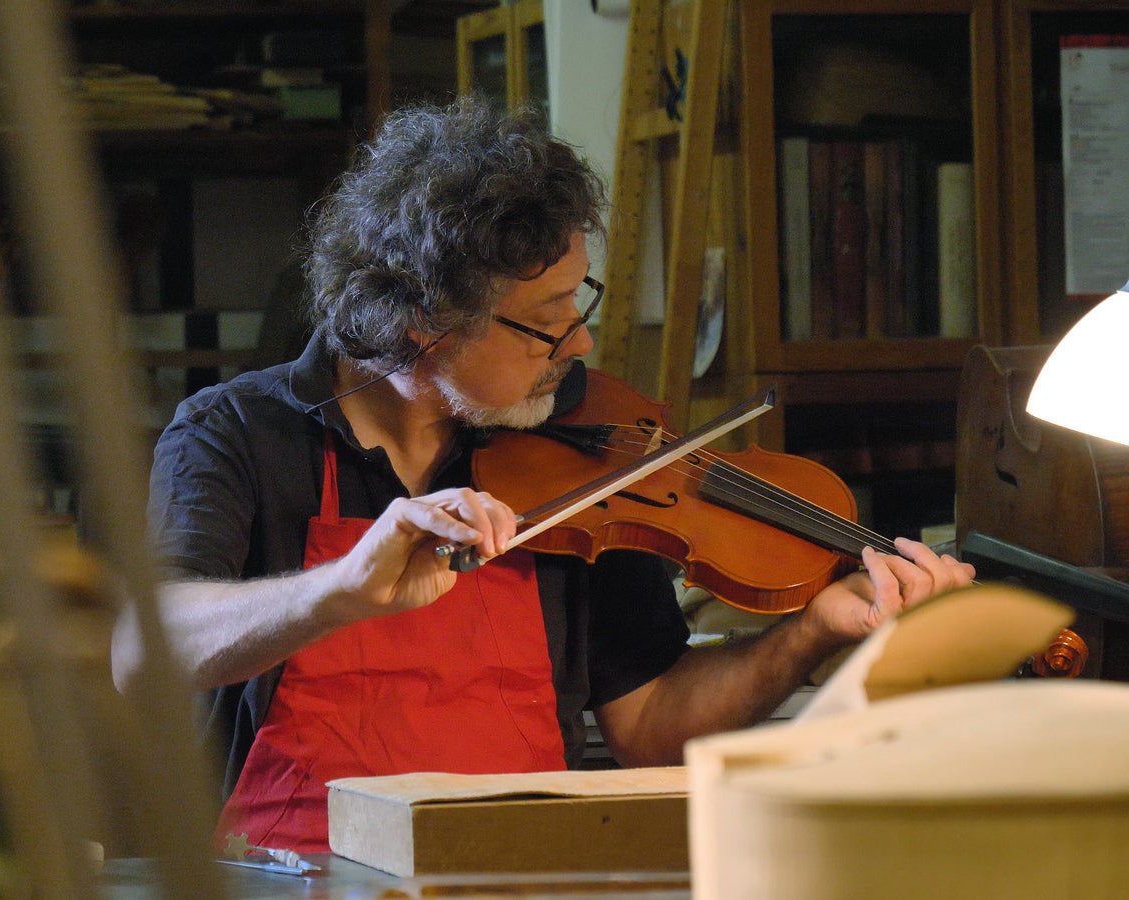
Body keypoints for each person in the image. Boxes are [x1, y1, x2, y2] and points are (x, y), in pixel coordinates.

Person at [111, 97, 975, 853]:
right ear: (424, 323)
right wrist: (340, 587)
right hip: (301, 877)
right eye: (543, 321)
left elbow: (648, 727)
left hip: (527, 869)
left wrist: (809, 633)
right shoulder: (238, 433)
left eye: (578, 300)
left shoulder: (594, 454)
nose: (582, 344)